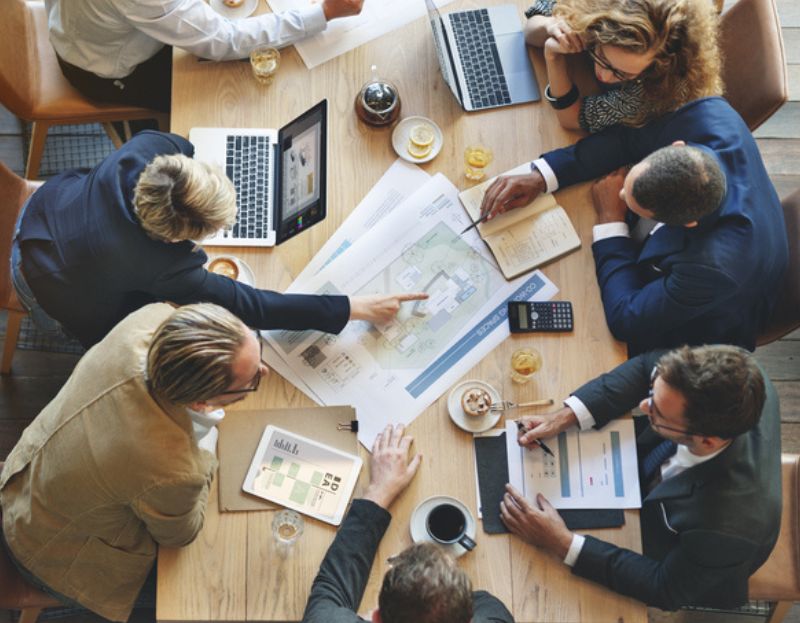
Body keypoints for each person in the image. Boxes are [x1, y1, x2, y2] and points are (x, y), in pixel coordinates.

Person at [11, 130, 426, 348]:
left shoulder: (145, 152)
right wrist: (353, 307)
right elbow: (254, 306)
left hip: (45, 211)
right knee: (162, 323)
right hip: (41, 284)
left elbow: (184, 152)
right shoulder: (164, 267)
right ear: (174, 241)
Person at [0, 302, 271, 621]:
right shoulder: (175, 469)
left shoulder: (147, 318)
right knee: (216, 591)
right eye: (251, 382)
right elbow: (181, 534)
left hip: (25, 477)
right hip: (47, 555)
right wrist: (207, 445)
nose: (264, 371)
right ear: (200, 401)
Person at [478, 97, 788, 355]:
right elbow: (628, 140)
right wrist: (542, 177)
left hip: (695, 333)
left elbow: (627, 318)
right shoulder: (708, 113)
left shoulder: (712, 267)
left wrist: (611, 220)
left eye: (631, 201)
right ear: (676, 147)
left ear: (685, 223)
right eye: (629, 184)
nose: (621, 193)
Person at [500, 345, 781, 610]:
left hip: (680, 549)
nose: (644, 405)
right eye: (652, 392)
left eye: (657, 413)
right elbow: (645, 366)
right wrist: (565, 416)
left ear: (706, 442)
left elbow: (665, 589)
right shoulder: (736, 367)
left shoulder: (726, 528)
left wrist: (561, 542)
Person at [302, 423, 515, 623]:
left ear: (376, 617)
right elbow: (485, 603)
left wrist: (379, 491)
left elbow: (330, 588)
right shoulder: (495, 616)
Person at [44, 0, 365, 112]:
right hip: (107, 69)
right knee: (231, 97)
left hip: (79, 28)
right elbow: (225, 40)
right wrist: (323, 12)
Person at [524, 0, 722, 133]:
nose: (604, 75)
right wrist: (549, 26)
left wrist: (554, 57)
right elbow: (532, 26)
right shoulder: (590, 7)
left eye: (622, 73)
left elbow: (573, 119)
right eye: (601, 55)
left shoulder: (661, 85)